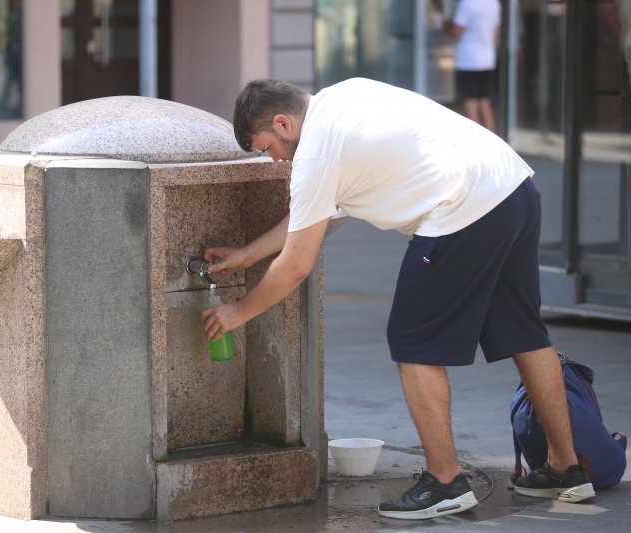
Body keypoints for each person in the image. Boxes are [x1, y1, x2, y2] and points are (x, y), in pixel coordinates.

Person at [201, 78, 596, 520]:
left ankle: (445, 481)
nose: (274, 160)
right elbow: (310, 216)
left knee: (414, 343)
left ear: (282, 122)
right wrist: (247, 254)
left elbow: (296, 265)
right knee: (526, 332)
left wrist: (238, 312)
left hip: (461, 210)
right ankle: (566, 468)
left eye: (268, 146)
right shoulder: (345, 97)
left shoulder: (315, 150)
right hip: (512, 187)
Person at [444, 0, 501, 132]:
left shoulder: (467, 3)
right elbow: (496, 31)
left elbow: (456, 32)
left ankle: (476, 139)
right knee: (484, 99)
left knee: (470, 101)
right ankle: (493, 138)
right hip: (487, 58)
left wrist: (445, 24)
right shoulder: (494, 3)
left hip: (469, 60)